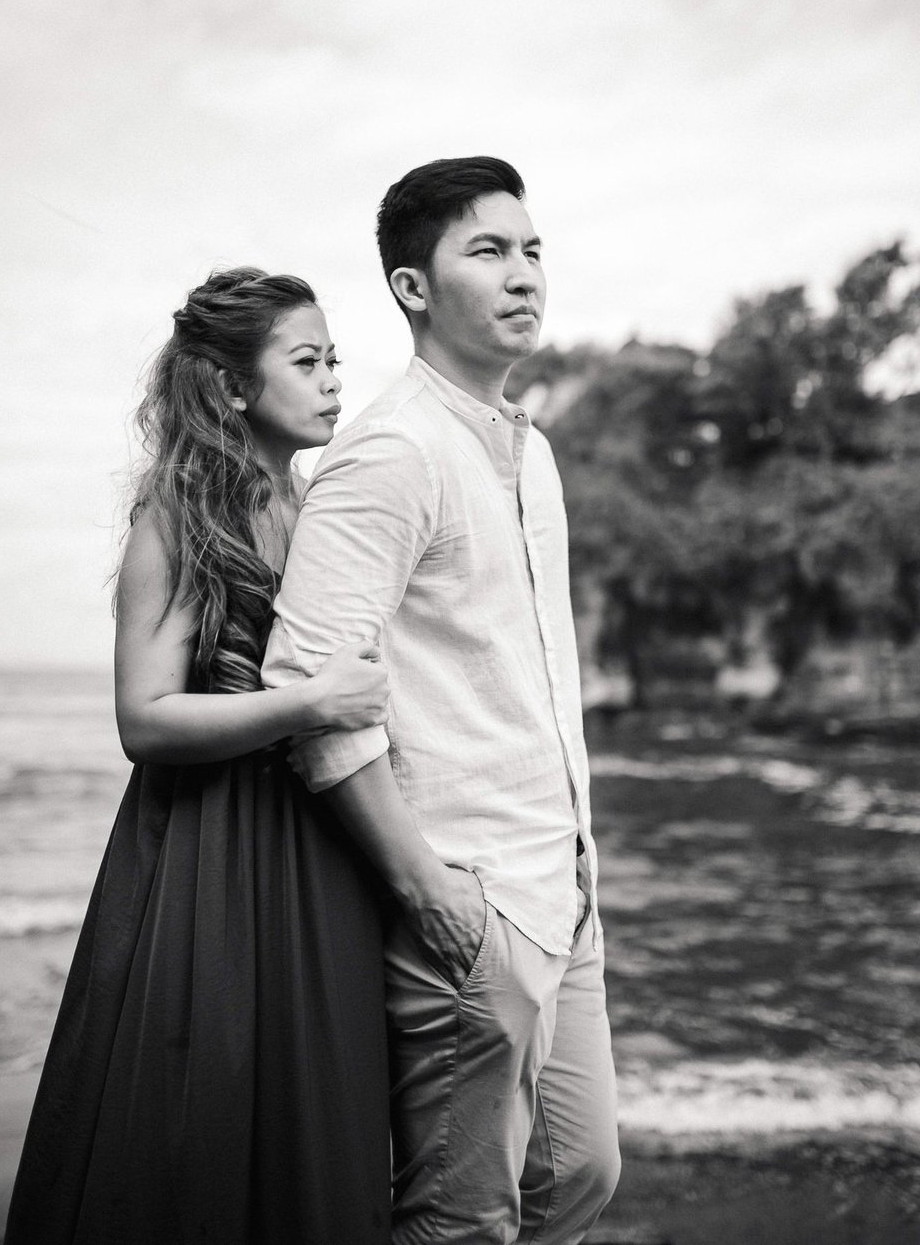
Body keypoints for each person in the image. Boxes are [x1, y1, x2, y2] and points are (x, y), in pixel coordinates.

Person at [263, 159, 621, 1245]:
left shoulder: (535, 452)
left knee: (581, 1170)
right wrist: (434, 895)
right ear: (414, 287)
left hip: (561, 883)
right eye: (487, 251)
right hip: (471, 898)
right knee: (457, 1218)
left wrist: (574, 863)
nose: (523, 275)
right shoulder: (386, 452)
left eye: (531, 248)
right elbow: (312, 694)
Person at [5, 267, 392, 1245]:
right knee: (199, 1134)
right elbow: (144, 716)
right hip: (209, 858)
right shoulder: (179, 518)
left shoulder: (320, 513)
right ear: (228, 387)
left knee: (319, 1124)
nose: (333, 380)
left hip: (321, 845)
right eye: (306, 362)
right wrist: (306, 698)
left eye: (334, 359)